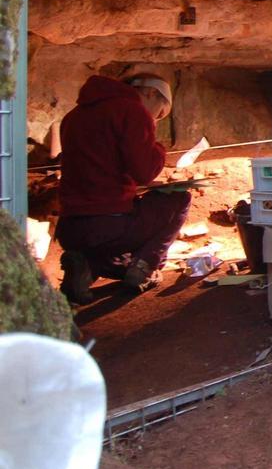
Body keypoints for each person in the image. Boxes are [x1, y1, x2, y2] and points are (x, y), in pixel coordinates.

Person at [56, 73, 191, 304]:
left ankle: (84, 267)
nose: (155, 119)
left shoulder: (73, 116)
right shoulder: (131, 110)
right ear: (151, 93)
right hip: (109, 225)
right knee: (180, 199)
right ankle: (145, 267)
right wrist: (158, 148)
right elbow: (145, 171)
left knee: (116, 260)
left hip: (70, 228)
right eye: (159, 113)